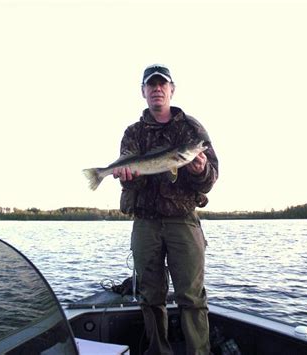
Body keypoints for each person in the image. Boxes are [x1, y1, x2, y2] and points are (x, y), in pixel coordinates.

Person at [113, 64, 219, 355]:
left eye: (162, 85)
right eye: (151, 85)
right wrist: (127, 177)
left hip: (183, 222)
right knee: (150, 296)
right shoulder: (133, 132)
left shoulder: (191, 130)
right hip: (145, 223)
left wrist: (199, 169)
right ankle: (158, 351)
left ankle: (199, 352)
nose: (157, 89)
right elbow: (128, 179)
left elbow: (210, 179)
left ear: (172, 90)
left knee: (191, 297)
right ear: (143, 92)